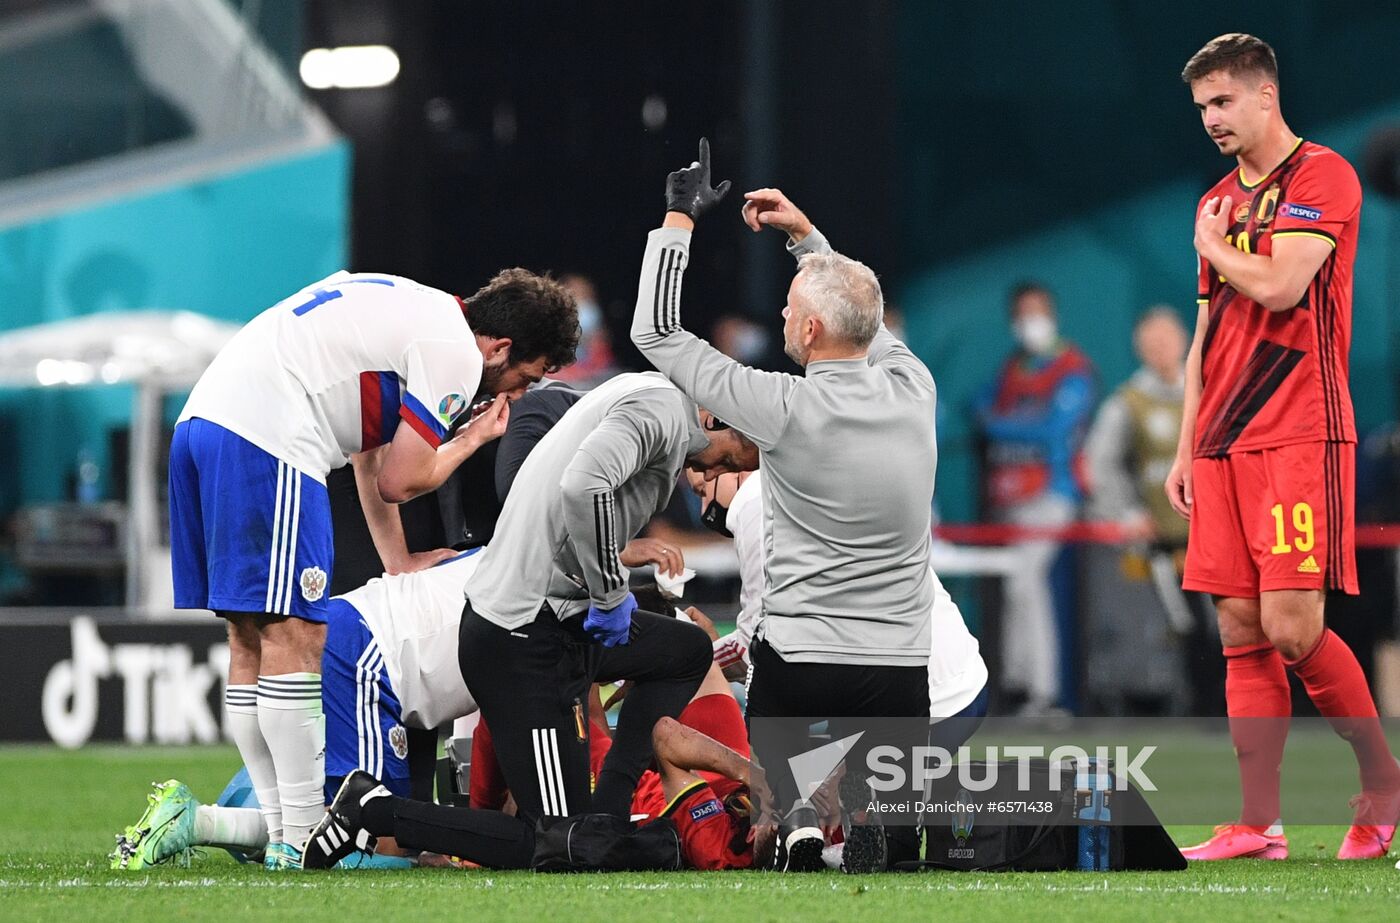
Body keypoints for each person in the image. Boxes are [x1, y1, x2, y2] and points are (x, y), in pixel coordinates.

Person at [168, 268, 578, 867]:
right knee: (296, 631)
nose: (516, 393)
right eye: (527, 376)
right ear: (502, 347)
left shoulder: (417, 309)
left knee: (249, 636)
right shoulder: (456, 353)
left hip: (204, 420)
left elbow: (369, 454)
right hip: (272, 433)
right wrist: (471, 440)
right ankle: (301, 830)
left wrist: (398, 561)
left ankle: (284, 827)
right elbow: (402, 478)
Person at [301, 372, 759, 869]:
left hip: (554, 621)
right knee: (563, 844)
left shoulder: (647, 402)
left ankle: (606, 810)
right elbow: (584, 485)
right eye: (730, 460)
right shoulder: (662, 411)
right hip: (522, 636)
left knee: (685, 649)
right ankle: (375, 811)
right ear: (714, 418)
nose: (713, 477)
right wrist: (609, 595)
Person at [629, 140, 938, 873]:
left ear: (806, 333)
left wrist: (679, 218)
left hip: (801, 661)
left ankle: (794, 819)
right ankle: (876, 829)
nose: (783, 310)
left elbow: (655, 333)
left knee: (780, 719)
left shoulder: (780, 405)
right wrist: (807, 241)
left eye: (791, 306)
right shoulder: (913, 386)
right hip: (899, 661)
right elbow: (858, 313)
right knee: (894, 845)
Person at [1167, 33, 1398, 862]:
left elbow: (1282, 284)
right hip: (1224, 443)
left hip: (1301, 431)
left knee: (1293, 626)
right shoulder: (1217, 201)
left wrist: (1213, 247)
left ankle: (1384, 782)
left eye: (1224, 102)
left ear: (1266, 95)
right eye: (1202, 108)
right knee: (1238, 628)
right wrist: (1186, 445)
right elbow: (1206, 332)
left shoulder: (1322, 177)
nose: (1212, 121)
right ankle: (1256, 823)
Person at [111, 550, 489, 870]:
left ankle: (207, 819)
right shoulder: (533, 596)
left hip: (355, 632)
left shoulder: (499, 559)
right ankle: (205, 822)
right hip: (369, 659)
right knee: (380, 844)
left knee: (343, 828)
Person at [1085, 307, 1223, 715]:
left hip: (1215, 534)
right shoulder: (1130, 403)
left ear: (1184, 340)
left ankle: (1230, 713)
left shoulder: (1209, 390)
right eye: (1152, 342)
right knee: (1184, 627)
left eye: (1168, 339)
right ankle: (1193, 713)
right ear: (1140, 349)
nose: (1162, 349)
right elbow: (1098, 464)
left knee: (1226, 625)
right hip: (1164, 541)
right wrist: (1126, 513)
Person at [974, 281, 1095, 714]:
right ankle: (1019, 687)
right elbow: (981, 413)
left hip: (1055, 492)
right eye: (1024, 313)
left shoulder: (1073, 367)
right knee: (1016, 585)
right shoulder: (1013, 368)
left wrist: (1008, 422)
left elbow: (1052, 430)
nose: (1032, 321)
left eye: (1039, 311)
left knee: (1027, 580)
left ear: (1053, 314)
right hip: (1012, 493)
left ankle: (1043, 692)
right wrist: (1012, 420)